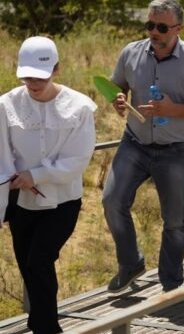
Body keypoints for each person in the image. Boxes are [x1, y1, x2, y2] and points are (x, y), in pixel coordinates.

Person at [102, 0, 184, 294]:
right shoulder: (131, 53)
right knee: (111, 201)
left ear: (178, 28)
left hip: (176, 150)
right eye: (150, 25)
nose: (154, 32)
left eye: (161, 26)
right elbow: (118, 87)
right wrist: (118, 99)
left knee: (174, 221)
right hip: (135, 142)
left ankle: (171, 284)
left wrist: (172, 110)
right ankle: (130, 264)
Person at [0, 36, 96, 334]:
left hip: (63, 201)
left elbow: (78, 159)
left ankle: (47, 327)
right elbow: (1, 156)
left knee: (39, 260)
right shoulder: (6, 105)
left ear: (57, 69)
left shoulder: (80, 107)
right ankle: (40, 322)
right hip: (21, 202)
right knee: (28, 266)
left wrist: (36, 175)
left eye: (39, 76)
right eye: (27, 76)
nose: (33, 83)